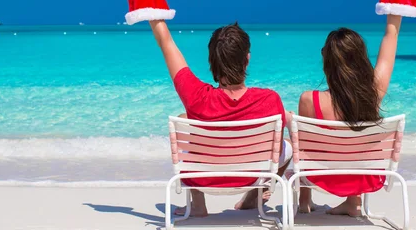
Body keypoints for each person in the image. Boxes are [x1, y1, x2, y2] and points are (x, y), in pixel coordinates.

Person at [149, 20, 292, 217]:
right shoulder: (270, 100)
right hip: (251, 178)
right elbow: (276, 149)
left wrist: (152, 13)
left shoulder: (196, 96)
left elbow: (167, 44)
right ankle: (253, 196)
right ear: (247, 60)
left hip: (203, 178)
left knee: (185, 125)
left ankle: (198, 205)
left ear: (211, 62)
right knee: (287, 145)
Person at [297, 14, 402, 216]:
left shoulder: (310, 99)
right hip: (365, 177)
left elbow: (304, 151)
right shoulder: (373, 91)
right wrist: (395, 10)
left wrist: (304, 200)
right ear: (361, 59)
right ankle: (354, 202)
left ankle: (305, 200)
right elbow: (391, 36)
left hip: (324, 178)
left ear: (326, 60)